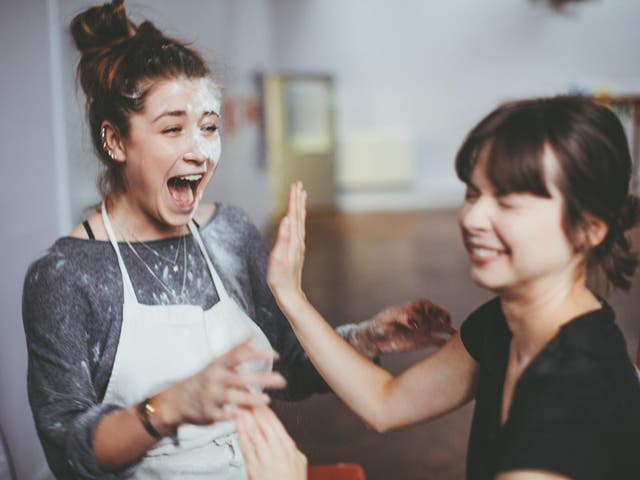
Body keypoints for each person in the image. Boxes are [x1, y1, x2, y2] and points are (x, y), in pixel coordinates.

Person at [21, 1, 454, 478]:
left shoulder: (230, 233)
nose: (200, 152)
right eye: (173, 129)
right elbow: (68, 452)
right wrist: (167, 407)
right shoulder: (65, 276)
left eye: (209, 127)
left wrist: (366, 337)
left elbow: (285, 366)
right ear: (115, 141)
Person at [267, 96, 640, 479]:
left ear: (588, 229)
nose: (473, 218)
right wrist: (292, 297)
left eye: (508, 202)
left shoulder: (580, 391)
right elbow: (385, 403)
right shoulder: (503, 322)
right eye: (473, 193)